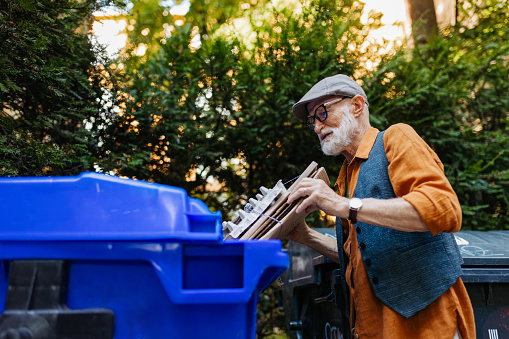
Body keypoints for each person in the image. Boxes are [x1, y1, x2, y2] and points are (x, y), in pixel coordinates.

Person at [286, 74, 476, 339]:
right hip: (371, 329)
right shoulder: (346, 175)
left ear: (357, 105)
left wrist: (341, 204)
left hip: (427, 327)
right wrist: (305, 236)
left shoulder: (396, 138)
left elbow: (443, 209)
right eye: (311, 121)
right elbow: (359, 256)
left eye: (322, 112)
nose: (317, 127)